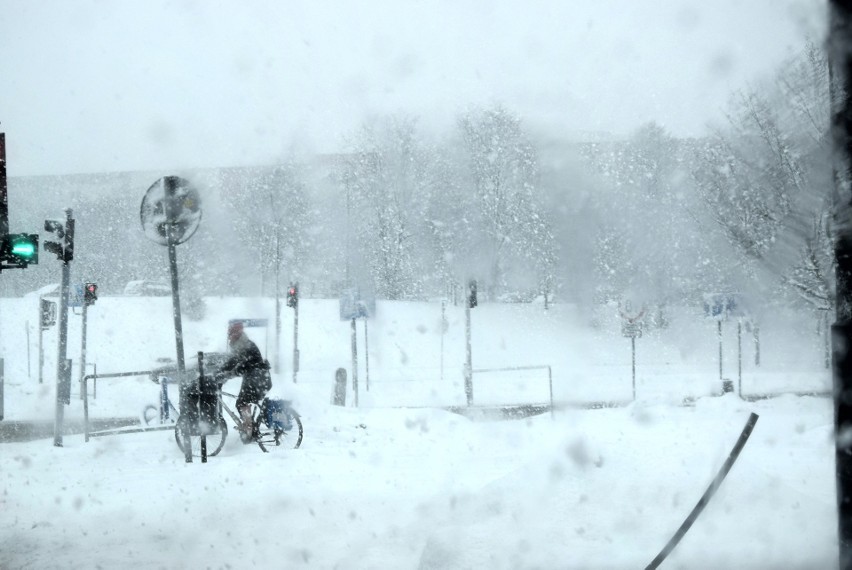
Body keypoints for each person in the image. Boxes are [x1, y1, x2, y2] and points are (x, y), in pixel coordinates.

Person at [215, 322, 272, 443]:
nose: (229, 336)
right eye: (229, 334)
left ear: (237, 334)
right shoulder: (240, 345)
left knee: (242, 402)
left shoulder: (246, 345)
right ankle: (249, 427)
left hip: (258, 380)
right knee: (241, 402)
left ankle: (249, 430)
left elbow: (242, 367)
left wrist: (226, 376)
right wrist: (219, 373)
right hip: (254, 379)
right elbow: (231, 362)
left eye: (230, 334)